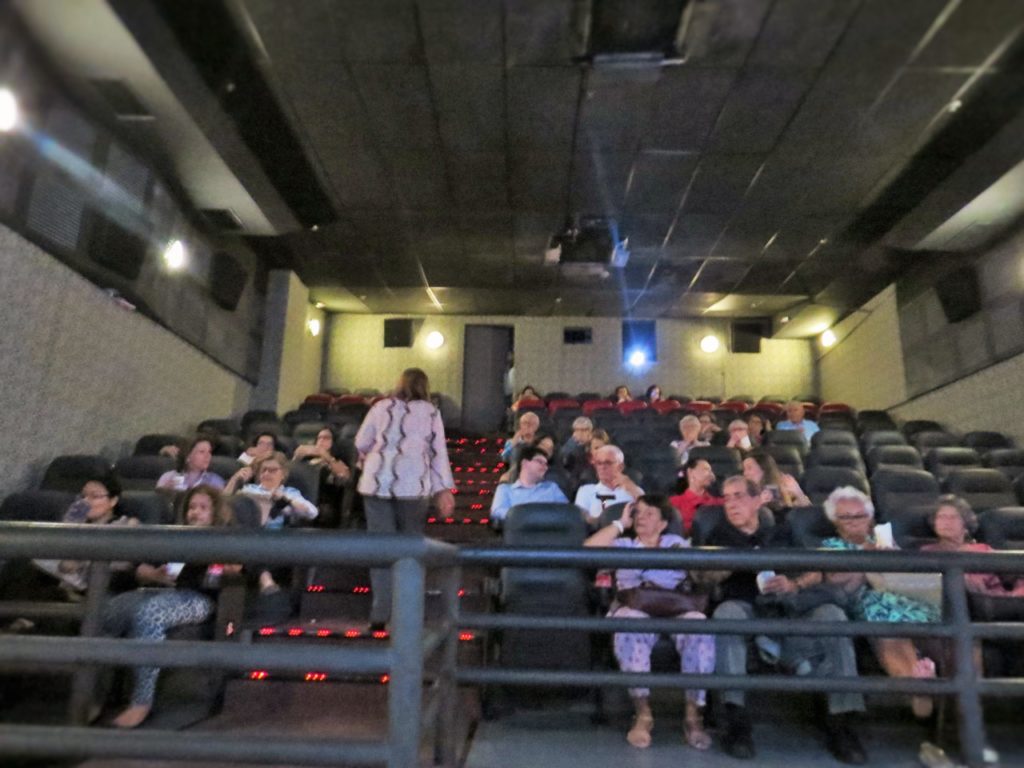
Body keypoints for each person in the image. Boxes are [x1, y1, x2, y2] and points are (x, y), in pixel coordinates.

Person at [699, 476, 866, 763]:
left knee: (833, 615)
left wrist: (794, 584)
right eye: (726, 498)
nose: (731, 504)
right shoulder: (718, 535)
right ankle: (735, 721)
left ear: (757, 500)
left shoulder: (782, 530)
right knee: (727, 614)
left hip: (791, 610)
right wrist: (735, 561)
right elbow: (702, 577)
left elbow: (816, 570)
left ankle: (842, 723)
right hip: (747, 612)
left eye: (739, 496)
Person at [100, 484, 240, 728]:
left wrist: (222, 566)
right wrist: (154, 574)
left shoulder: (225, 539)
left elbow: (234, 570)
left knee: (149, 614)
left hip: (201, 599)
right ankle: (97, 691)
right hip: (162, 590)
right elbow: (139, 566)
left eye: (203, 508)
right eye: (192, 507)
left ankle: (141, 702)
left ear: (216, 512)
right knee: (111, 609)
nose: (196, 512)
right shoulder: (175, 534)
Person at [584, 496, 713, 751]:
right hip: (635, 606)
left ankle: (692, 716)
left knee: (699, 626)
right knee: (630, 625)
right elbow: (587, 551)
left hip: (675, 606)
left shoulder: (676, 544)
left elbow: (701, 571)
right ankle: (643, 714)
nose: (641, 517)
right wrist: (620, 524)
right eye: (638, 513)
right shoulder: (623, 544)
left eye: (649, 513)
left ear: (664, 523)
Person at [820, 487, 939, 719]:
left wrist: (893, 555)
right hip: (872, 604)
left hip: (910, 602)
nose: (854, 522)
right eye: (846, 517)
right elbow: (838, 586)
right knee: (886, 624)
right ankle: (918, 688)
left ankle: (934, 693)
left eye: (860, 515)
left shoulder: (884, 539)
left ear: (870, 518)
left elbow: (910, 575)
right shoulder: (832, 546)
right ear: (835, 521)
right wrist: (866, 558)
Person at [355, 368, 455, 630]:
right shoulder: (431, 412)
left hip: (377, 483)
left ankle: (380, 614)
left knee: (381, 549)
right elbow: (438, 453)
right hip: (413, 484)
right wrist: (443, 490)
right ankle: (406, 613)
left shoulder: (380, 407)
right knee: (410, 549)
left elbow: (361, 442)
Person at [225, 452, 318, 594]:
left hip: (274, 538)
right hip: (245, 534)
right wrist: (235, 479)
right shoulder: (248, 489)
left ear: (283, 474)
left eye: (273, 470)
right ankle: (264, 577)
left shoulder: (290, 492)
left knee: (252, 543)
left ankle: (262, 575)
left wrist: (286, 500)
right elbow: (222, 504)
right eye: (263, 470)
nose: (267, 474)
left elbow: (312, 513)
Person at [921, 495, 1024, 595]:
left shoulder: (982, 550)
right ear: (934, 523)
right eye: (941, 517)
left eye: (953, 517)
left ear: (965, 524)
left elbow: (1014, 575)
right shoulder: (926, 553)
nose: (947, 522)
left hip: (993, 602)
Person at [490, 446, 569, 523]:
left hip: (548, 530)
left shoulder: (552, 488)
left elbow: (567, 512)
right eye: (540, 462)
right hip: (518, 529)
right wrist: (529, 516)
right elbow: (497, 512)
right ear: (524, 463)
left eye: (546, 464)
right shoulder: (505, 490)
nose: (545, 467)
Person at [292, 426, 351, 525]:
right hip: (303, 497)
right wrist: (296, 457)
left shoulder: (337, 460)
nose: (322, 441)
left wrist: (326, 456)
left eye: (326, 438)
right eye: (319, 438)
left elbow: (345, 476)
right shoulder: (307, 460)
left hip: (324, 501)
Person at [574, 445, 643, 523]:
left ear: (621, 467)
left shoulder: (633, 491)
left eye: (608, 463)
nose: (602, 467)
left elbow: (647, 514)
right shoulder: (586, 491)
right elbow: (580, 522)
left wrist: (631, 487)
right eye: (599, 463)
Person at [669, 458, 723, 536]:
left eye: (711, 471)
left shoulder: (719, 503)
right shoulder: (673, 503)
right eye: (706, 469)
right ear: (690, 472)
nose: (711, 475)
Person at [742, 451, 810, 510]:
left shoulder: (783, 486)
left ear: (763, 469)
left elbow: (808, 513)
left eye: (749, 468)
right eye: (744, 469)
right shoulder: (743, 492)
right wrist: (759, 503)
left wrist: (798, 493)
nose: (745, 473)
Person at [156, 436, 225, 492]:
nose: (208, 456)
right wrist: (165, 491)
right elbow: (158, 501)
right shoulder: (168, 477)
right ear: (188, 456)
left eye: (209, 452)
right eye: (202, 452)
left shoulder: (215, 481)